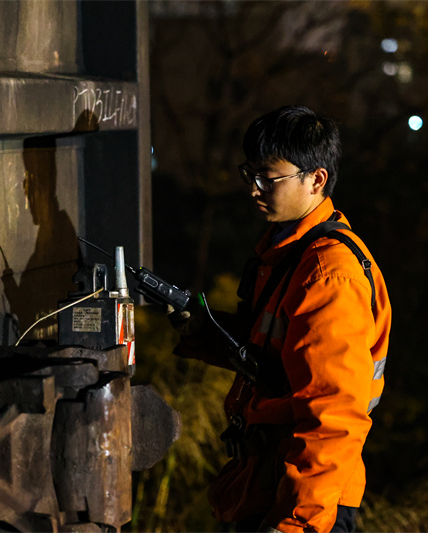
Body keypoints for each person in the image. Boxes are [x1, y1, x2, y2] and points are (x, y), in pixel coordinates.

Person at [168, 105, 392, 533]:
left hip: (306, 501)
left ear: (316, 179)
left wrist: (296, 522)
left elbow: (333, 414)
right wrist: (204, 332)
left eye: (268, 178)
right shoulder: (288, 253)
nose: (254, 189)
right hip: (268, 482)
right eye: (250, 174)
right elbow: (272, 357)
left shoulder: (329, 275)